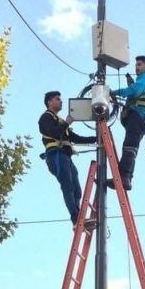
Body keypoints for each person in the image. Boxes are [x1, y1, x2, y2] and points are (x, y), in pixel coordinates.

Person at [38, 90, 96, 225]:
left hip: (65, 156)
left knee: (77, 189)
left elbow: (75, 138)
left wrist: (95, 138)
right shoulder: (46, 118)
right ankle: (75, 217)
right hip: (56, 155)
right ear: (49, 102)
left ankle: (78, 215)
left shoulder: (60, 121)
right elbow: (52, 132)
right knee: (68, 186)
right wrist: (67, 123)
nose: (61, 101)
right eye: (57, 99)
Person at [108, 55, 145, 191]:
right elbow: (135, 92)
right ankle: (126, 177)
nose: (137, 67)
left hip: (139, 116)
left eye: (140, 64)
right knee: (131, 146)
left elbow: (135, 91)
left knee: (130, 146)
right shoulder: (144, 80)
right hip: (141, 117)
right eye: (136, 65)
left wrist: (113, 93)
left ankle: (123, 177)